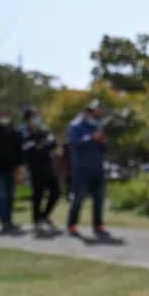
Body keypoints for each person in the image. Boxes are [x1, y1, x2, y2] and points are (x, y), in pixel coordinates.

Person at [66, 100, 109, 236]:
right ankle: (72, 225)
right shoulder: (75, 126)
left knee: (99, 198)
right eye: (92, 111)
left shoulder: (98, 126)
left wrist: (103, 141)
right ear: (86, 111)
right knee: (78, 198)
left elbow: (103, 148)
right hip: (82, 168)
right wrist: (91, 138)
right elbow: (76, 144)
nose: (95, 114)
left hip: (97, 167)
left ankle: (98, 225)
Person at [21, 108, 61, 232]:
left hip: (47, 166)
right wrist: (42, 146)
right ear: (28, 119)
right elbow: (29, 149)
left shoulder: (43, 130)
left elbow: (53, 143)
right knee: (38, 194)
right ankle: (37, 220)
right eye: (34, 117)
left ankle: (44, 216)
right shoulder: (23, 132)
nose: (37, 119)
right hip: (35, 167)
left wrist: (42, 145)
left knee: (56, 192)